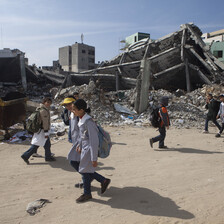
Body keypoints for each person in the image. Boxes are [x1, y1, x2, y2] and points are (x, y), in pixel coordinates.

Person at [72, 99, 111, 203]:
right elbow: (82, 136)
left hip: (89, 150)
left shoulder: (89, 122)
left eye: (74, 109)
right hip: (84, 148)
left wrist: (94, 158)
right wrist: (79, 145)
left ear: (81, 110)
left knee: (84, 170)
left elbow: (94, 141)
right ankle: (102, 180)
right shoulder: (81, 119)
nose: (73, 111)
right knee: (75, 163)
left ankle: (87, 193)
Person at [21, 97, 55, 164]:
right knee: (36, 145)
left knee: (47, 144)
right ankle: (25, 155)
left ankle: (48, 156)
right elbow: (45, 122)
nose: (49, 104)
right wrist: (46, 132)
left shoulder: (40, 108)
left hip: (40, 130)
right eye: (47, 102)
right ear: (44, 102)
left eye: (50, 103)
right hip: (42, 131)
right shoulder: (43, 111)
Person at [61, 97, 83, 188]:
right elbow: (69, 125)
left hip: (81, 143)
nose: (68, 107)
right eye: (66, 105)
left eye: (69, 104)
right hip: (75, 141)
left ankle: (98, 179)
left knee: (74, 161)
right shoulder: (71, 113)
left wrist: (81, 144)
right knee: (78, 162)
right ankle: (87, 179)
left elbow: (83, 131)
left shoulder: (80, 115)